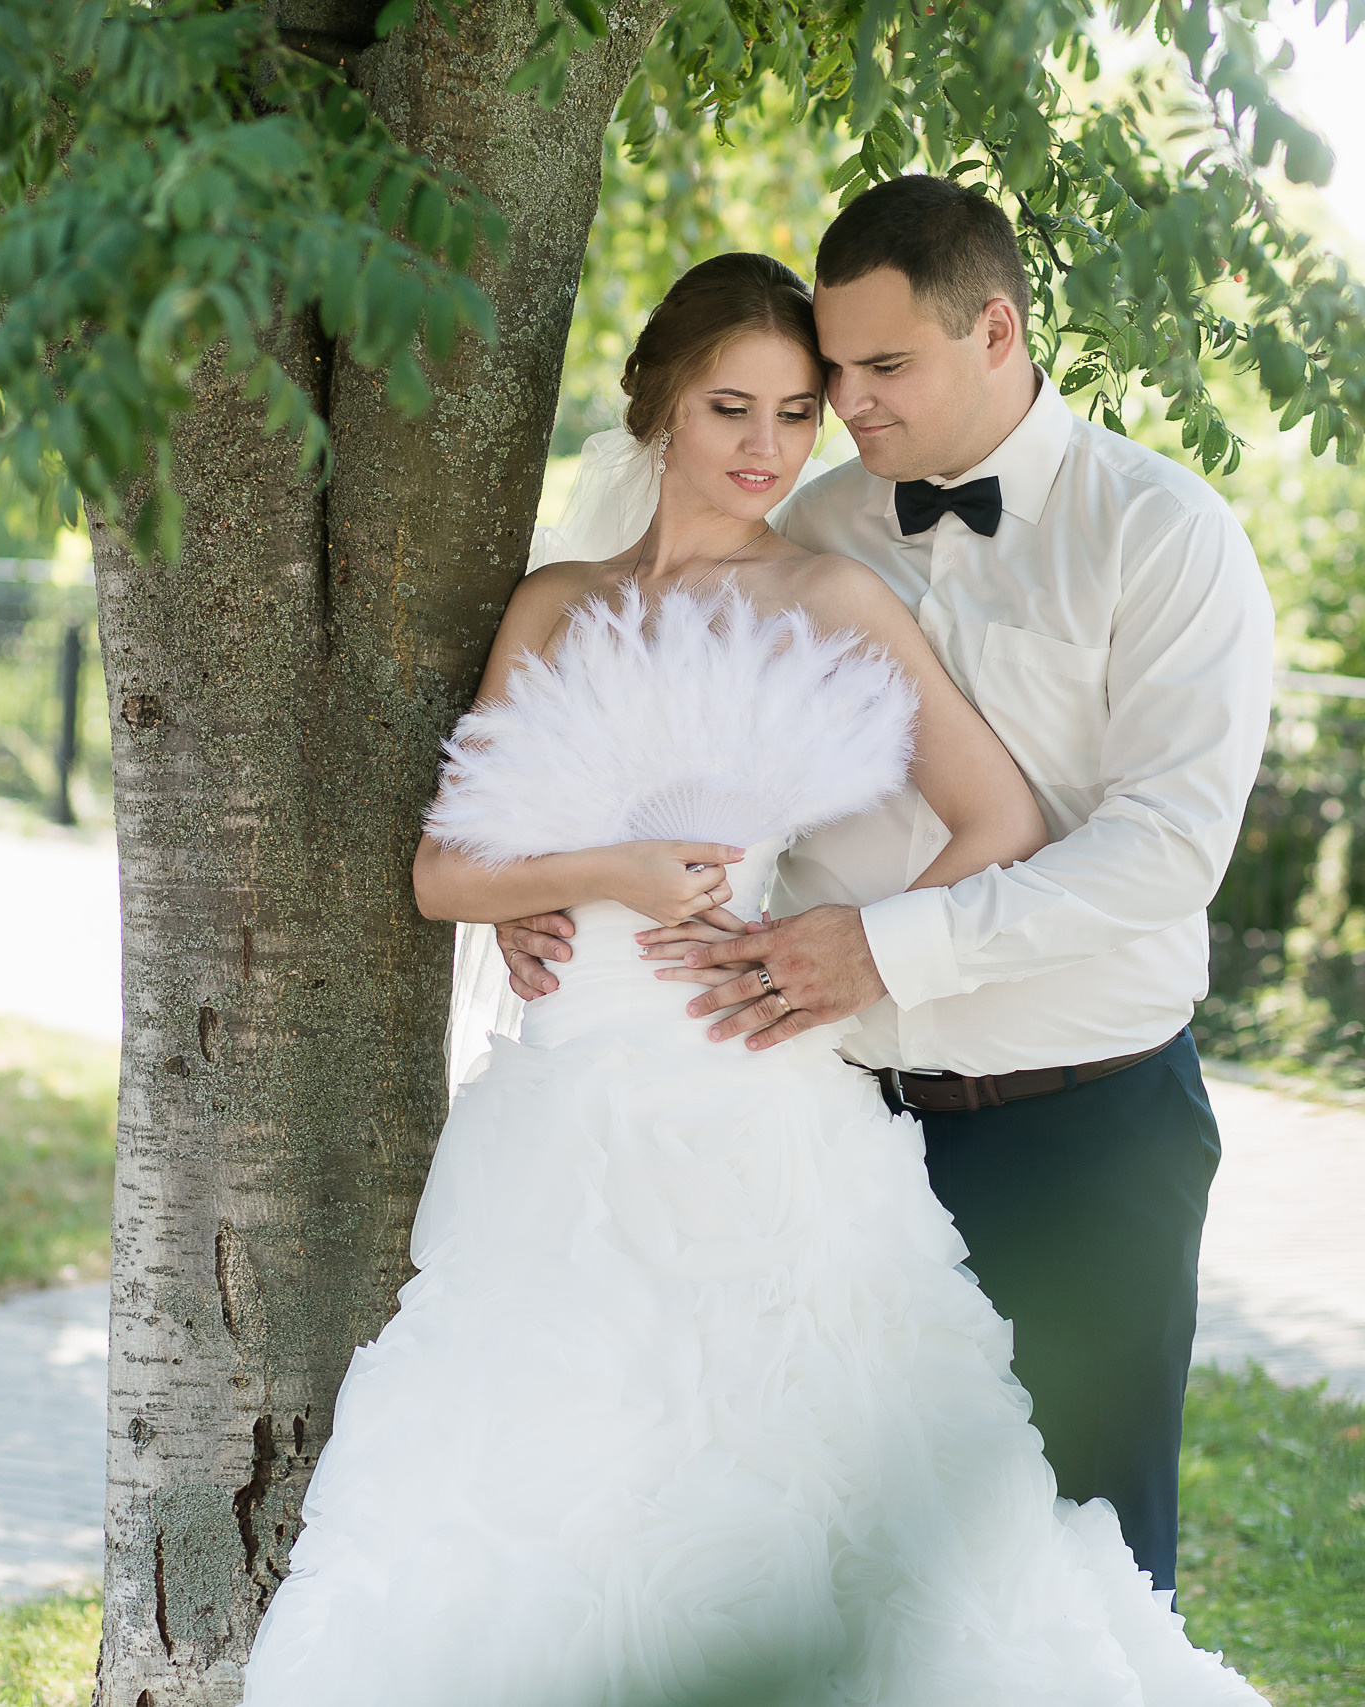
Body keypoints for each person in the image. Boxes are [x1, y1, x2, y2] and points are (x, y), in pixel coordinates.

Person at [238, 252, 1263, 1705]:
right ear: (659, 401)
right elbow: (443, 877)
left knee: (806, 1491)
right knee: (549, 1481)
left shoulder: (832, 587)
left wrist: (853, 952)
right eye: (734, 406)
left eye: (799, 413)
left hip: (762, 1097)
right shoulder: (554, 605)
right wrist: (589, 877)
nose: (770, 446)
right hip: (567, 1117)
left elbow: (1005, 821)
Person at [495, 175, 1276, 1593]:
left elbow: (1166, 850)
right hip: (826, 1123)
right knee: (841, 1562)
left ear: (997, 329)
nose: (844, 406)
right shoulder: (810, 523)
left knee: (1080, 1563)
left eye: (880, 368)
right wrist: (557, 889)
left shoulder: (1162, 537)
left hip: (1078, 1127)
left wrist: (891, 949)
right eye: (831, 372)